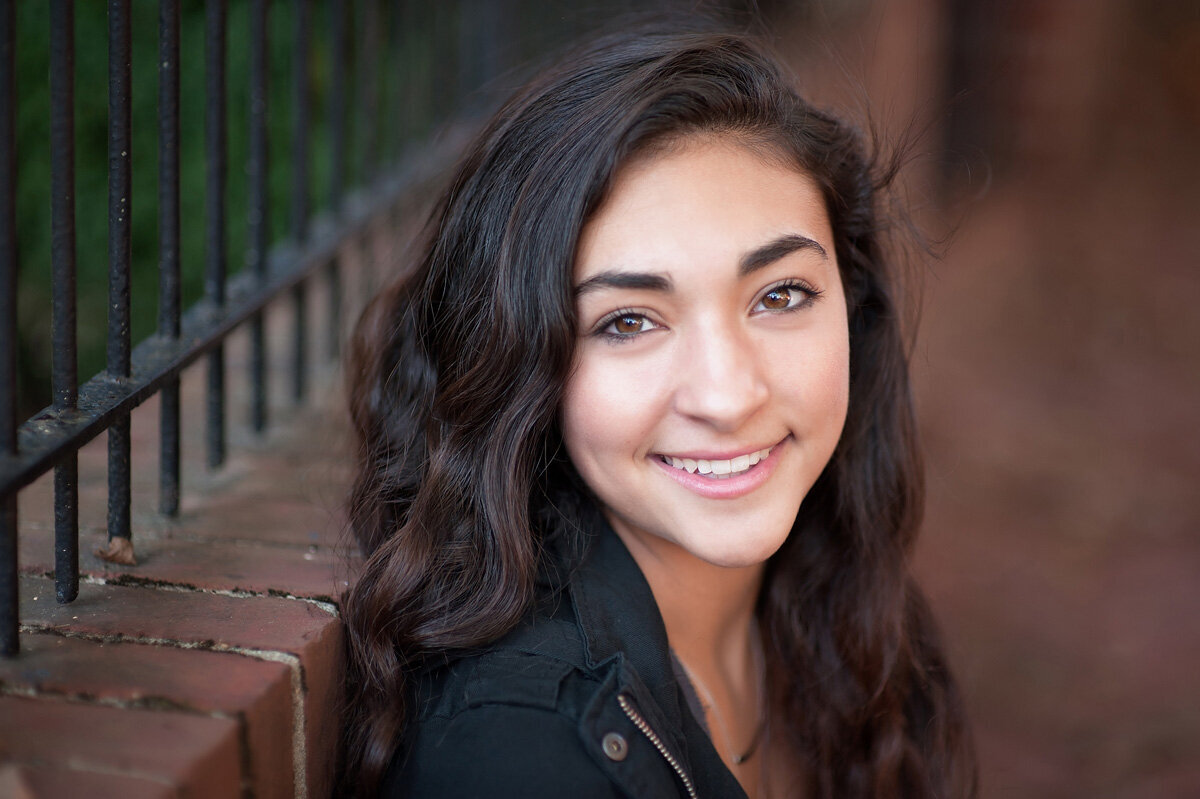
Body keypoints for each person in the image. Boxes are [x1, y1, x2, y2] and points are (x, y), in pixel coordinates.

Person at [339, 21, 977, 799]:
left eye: (780, 295)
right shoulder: (517, 755)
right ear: (522, 366)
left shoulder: (857, 613)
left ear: (854, 307)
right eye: (629, 321)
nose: (727, 394)